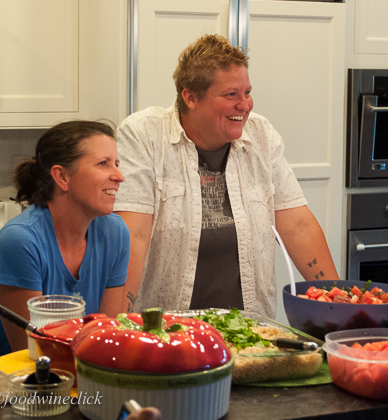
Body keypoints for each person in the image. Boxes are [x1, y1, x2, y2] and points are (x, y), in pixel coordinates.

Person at [114, 34, 339, 317]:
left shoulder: (261, 135)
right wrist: (121, 323)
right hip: (167, 330)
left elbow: (298, 226)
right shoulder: (143, 134)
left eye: (247, 92)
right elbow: (132, 235)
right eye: (231, 94)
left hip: (250, 328)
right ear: (191, 97)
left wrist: (338, 305)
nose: (245, 105)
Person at [0, 121, 131, 358]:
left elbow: (106, 338)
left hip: (69, 372)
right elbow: (35, 354)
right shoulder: (20, 241)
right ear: (62, 176)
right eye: (103, 164)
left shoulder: (115, 233)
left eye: (116, 164)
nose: (119, 176)